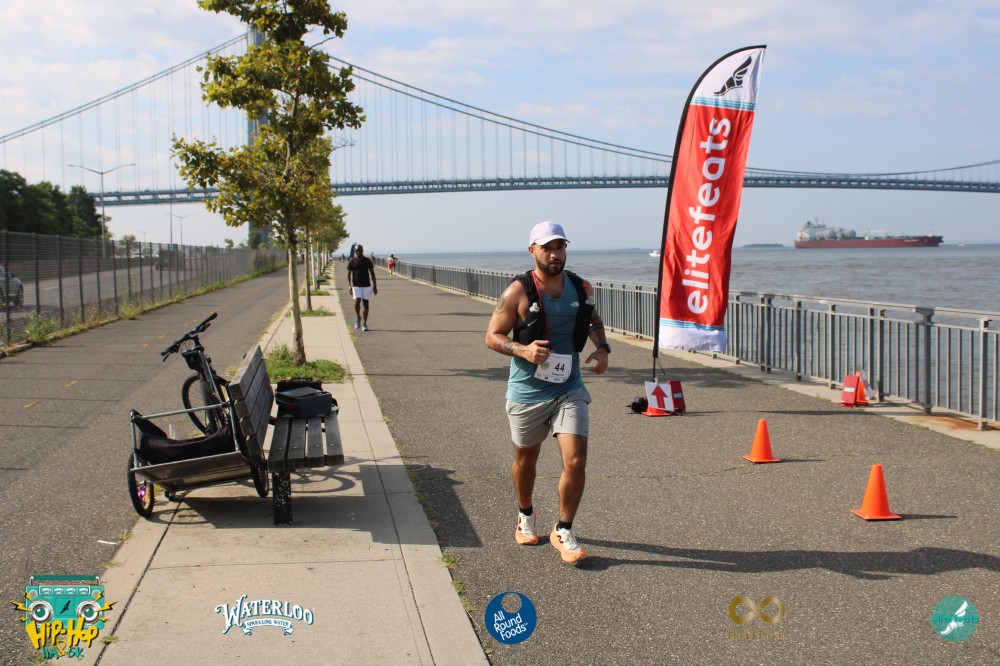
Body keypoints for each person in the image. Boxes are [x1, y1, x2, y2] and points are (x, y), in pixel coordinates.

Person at [485, 221, 610, 564]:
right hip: (527, 392)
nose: (555, 254)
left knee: (576, 459)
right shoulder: (517, 291)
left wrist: (602, 349)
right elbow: (492, 336)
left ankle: (564, 529)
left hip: (569, 387)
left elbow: (593, 320)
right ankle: (525, 513)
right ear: (533, 251)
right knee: (526, 460)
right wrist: (523, 350)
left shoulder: (580, 287)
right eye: (547, 248)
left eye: (560, 247)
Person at [346, 244, 377, 331]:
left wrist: (375, 286)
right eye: (357, 250)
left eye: (360, 250)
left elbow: (372, 273)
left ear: (362, 251)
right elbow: (348, 275)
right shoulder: (352, 261)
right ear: (355, 251)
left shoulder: (367, 261)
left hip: (366, 286)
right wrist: (349, 286)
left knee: (366, 305)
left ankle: (364, 323)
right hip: (356, 286)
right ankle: (358, 317)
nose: (359, 252)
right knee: (357, 301)